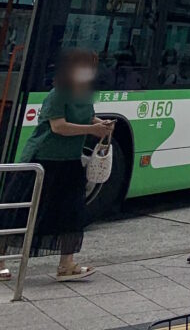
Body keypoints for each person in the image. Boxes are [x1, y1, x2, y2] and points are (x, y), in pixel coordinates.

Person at [0, 48, 114, 282]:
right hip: (43, 160)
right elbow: (58, 126)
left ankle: (67, 264)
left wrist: (100, 123)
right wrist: (93, 129)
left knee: (72, 212)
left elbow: (86, 118)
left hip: (69, 161)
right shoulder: (58, 93)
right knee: (19, 212)